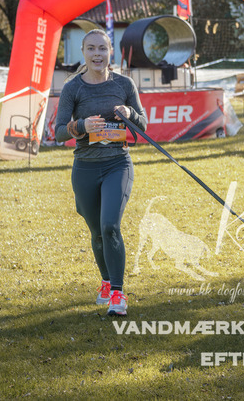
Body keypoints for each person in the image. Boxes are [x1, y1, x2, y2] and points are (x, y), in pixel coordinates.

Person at [55, 29, 147, 316]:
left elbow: (143, 123)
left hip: (117, 163)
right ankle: (106, 281)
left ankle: (118, 293)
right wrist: (82, 126)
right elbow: (58, 132)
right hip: (85, 166)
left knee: (110, 226)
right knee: (96, 232)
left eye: (102, 49)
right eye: (92, 49)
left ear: (110, 52)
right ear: (83, 52)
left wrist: (130, 114)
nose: (97, 54)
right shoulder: (73, 88)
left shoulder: (124, 84)